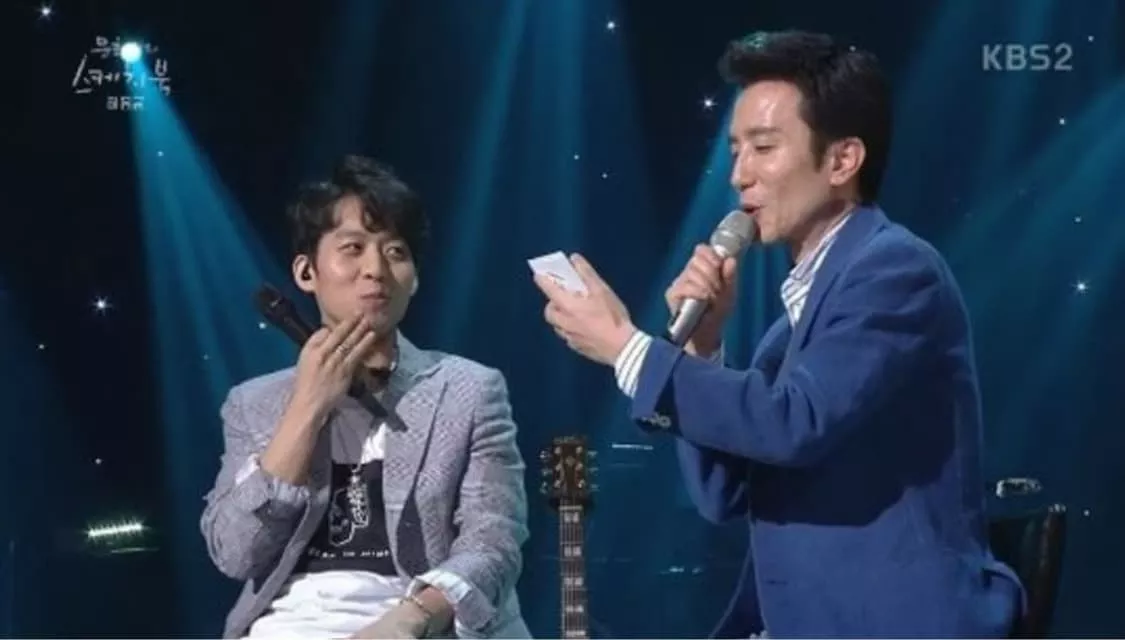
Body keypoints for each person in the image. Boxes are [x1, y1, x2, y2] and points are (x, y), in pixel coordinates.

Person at [533, 30, 1024, 638]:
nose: (739, 175)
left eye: (763, 148)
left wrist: (625, 347)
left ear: (842, 160)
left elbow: (795, 422)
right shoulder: (788, 327)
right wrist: (704, 347)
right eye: (735, 150)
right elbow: (721, 495)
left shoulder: (896, 270)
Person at [201, 155, 530, 639]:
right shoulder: (253, 404)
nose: (375, 269)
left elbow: (494, 540)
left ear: (414, 278)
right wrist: (306, 407)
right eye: (352, 248)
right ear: (306, 271)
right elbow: (235, 553)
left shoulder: (469, 389)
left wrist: (412, 618)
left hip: (418, 624)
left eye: (396, 252)